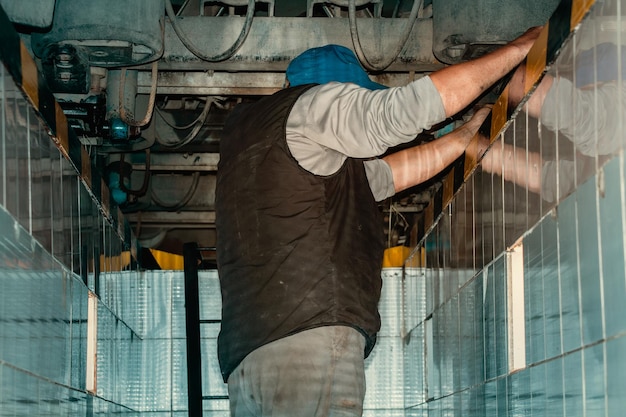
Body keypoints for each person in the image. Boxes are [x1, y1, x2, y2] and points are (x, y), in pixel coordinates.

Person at [215, 26, 541, 417]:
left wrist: (465, 136)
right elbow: (403, 111)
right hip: (307, 342)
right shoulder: (316, 107)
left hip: (248, 361)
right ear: (338, 92)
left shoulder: (267, 151)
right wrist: (521, 47)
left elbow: (390, 174)